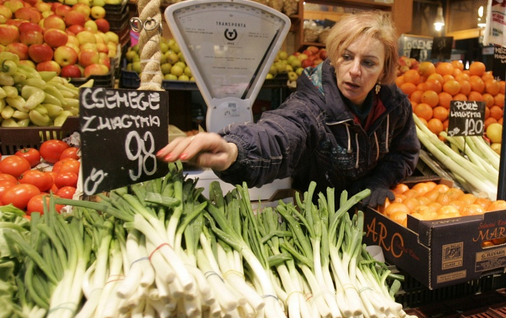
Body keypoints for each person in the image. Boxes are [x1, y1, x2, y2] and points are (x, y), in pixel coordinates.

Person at [157, 11, 419, 207]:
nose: (354, 70)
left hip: (375, 217)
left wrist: (379, 180)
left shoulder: (394, 106)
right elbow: (283, 132)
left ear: (384, 70)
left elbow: (404, 153)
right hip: (318, 221)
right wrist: (235, 151)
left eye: (369, 62)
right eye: (347, 56)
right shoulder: (313, 103)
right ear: (334, 56)